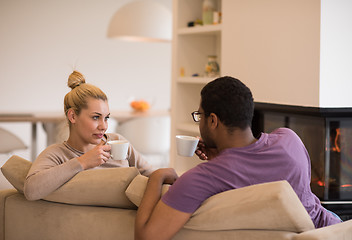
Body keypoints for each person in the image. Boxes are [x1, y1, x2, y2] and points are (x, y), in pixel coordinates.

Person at [135, 76, 342, 240]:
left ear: (213, 120)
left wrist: (157, 176)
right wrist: (219, 158)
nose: (199, 123)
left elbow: (147, 237)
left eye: (200, 116)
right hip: (333, 230)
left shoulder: (201, 179)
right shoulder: (290, 140)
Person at [24, 71, 154, 201]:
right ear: (73, 116)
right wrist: (83, 162)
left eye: (106, 118)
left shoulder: (117, 142)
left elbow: (151, 175)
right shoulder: (57, 154)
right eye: (96, 117)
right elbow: (31, 191)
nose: (104, 126)